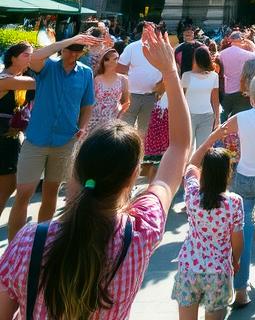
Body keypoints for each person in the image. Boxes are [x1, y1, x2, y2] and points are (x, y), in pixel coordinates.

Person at [0, 25, 191, 320]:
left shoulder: (28, 242)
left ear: (75, 167)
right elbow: (179, 148)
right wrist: (170, 73)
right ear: (132, 178)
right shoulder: (141, 234)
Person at [198, 33, 255, 309]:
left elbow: (214, 137)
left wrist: (193, 159)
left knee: (240, 235)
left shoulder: (241, 117)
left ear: (251, 95)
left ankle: (240, 290)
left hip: (243, 180)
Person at [6, 30, 102, 243]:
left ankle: (40, 242)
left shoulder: (85, 72)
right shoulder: (47, 67)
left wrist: (83, 127)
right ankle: (14, 245)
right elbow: (35, 57)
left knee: (51, 192)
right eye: (70, 50)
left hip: (65, 140)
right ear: (62, 48)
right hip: (36, 139)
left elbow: (87, 104)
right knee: (23, 193)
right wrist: (70, 40)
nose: (73, 55)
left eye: (78, 51)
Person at [172, 135, 243, 320]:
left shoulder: (193, 196)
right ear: (228, 172)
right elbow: (237, 239)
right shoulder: (234, 202)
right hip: (218, 270)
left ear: (205, 172)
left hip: (189, 267)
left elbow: (190, 167)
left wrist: (210, 139)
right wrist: (236, 261)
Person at [0, 43, 35, 221]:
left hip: (11, 140)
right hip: (3, 140)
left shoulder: (20, 79)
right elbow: (37, 83)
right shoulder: (5, 79)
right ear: (13, 58)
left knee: (8, 185)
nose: (31, 58)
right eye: (26, 55)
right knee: (7, 186)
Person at [117, 22, 164, 141]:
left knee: (144, 132)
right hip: (131, 95)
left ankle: (138, 156)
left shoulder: (161, 49)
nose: (148, 33)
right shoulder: (132, 47)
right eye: (145, 30)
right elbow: (120, 68)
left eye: (151, 31)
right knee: (125, 130)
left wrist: (162, 88)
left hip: (152, 96)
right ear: (141, 32)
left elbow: (168, 70)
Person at [182, 46, 221, 149]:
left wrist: (217, 118)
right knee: (189, 148)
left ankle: (195, 166)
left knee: (202, 149)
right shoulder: (187, 76)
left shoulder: (214, 76)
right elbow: (215, 99)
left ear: (195, 59)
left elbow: (215, 99)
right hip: (189, 116)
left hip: (205, 116)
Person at [219, 30, 255, 118]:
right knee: (239, 118)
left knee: (224, 118)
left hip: (226, 90)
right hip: (242, 91)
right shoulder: (243, 53)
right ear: (241, 40)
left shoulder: (221, 54)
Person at [90, 48, 130, 128]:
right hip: (94, 119)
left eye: (115, 59)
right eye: (107, 59)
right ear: (103, 62)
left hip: (113, 119)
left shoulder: (123, 79)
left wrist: (120, 114)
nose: (111, 62)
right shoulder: (96, 78)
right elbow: (90, 100)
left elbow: (126, 101)